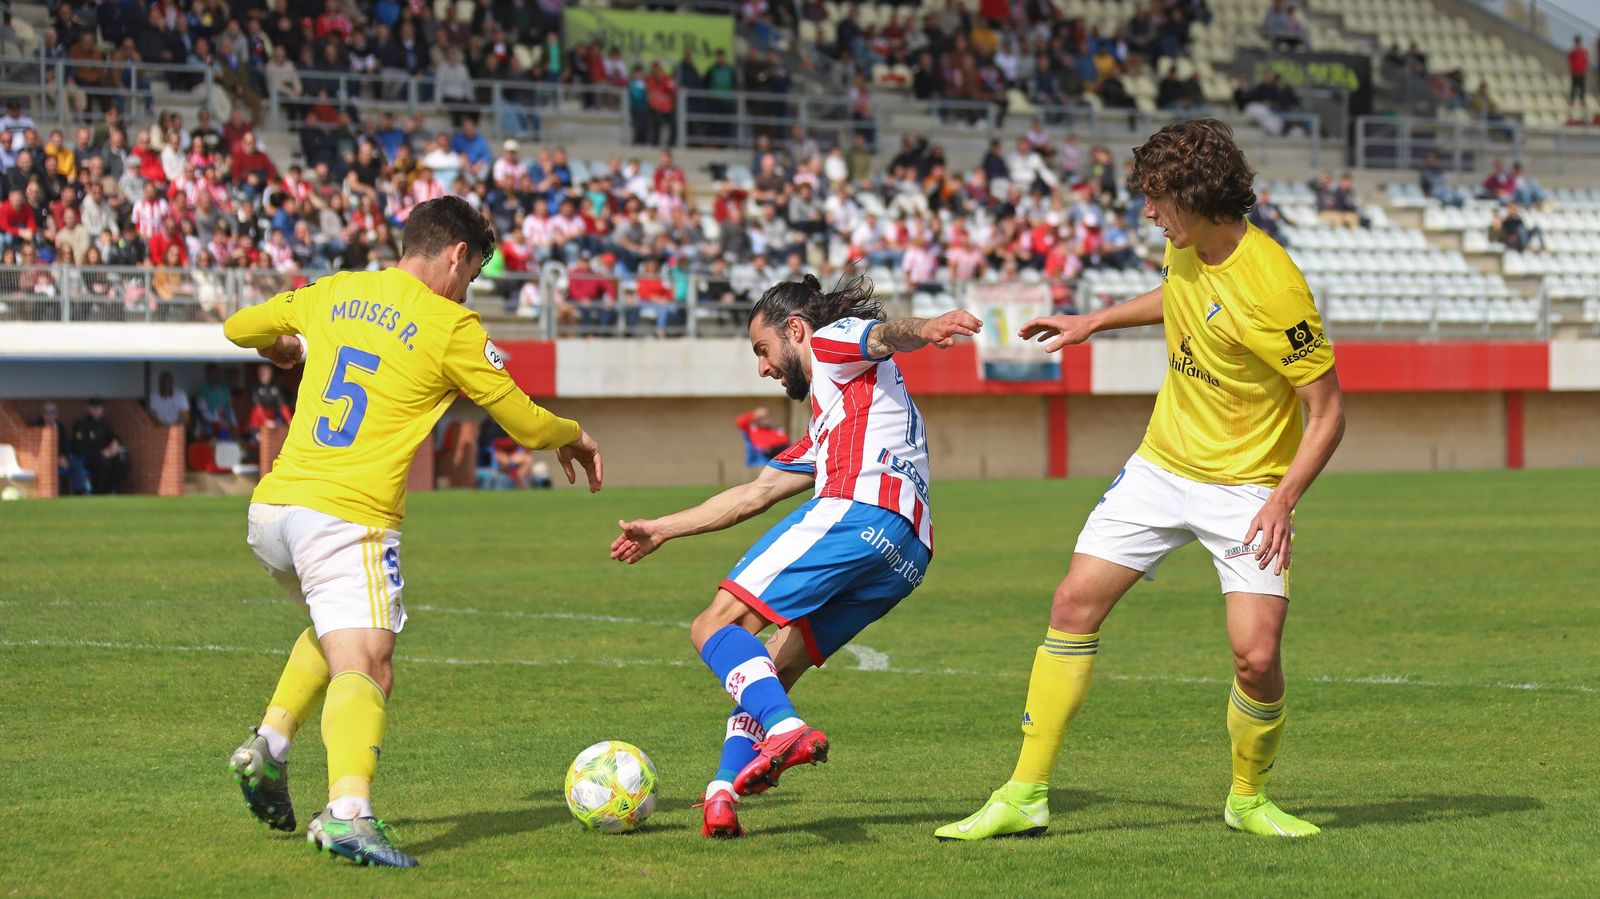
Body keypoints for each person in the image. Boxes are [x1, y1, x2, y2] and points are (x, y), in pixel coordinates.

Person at [938, 118, 1344, 842]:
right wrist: (1096, 319)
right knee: (1072, 602)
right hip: (1160, 464)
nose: (1148, 213)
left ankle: (1247, 798)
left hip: (1249, 486)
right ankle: (1024, 792)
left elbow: (1330, 412)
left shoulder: (1276, 287)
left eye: (1157, 199)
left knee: (1256, 657)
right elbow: (1181, 297)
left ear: (1196, 194)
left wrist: (1283, 500)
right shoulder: (1185, 244)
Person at [221, 196, 603, 868]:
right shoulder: (450, 324)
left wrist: (282, 347)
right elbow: (526, 423)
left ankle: (270, 744)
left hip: (275, 511)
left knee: (335, 630)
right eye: (474, 273)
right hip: (348, 518)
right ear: (457, 255)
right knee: (369, 662)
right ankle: (347, 813)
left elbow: (237, 325)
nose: (470, 287)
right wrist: (573, 435)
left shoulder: (334, 291)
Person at [610, 274, 980, 839]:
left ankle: (785, 731)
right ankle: (722, 793)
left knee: (714, 626)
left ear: (796, 330)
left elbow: (883, 335)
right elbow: (753, 494)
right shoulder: (835, 418)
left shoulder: (830, 345)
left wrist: (925, 329)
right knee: (771, 669)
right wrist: (662, 528)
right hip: (907, 553)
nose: (762, 367)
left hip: (859, 509)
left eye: (762, 350)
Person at [71, 397, 131, 494]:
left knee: (122, 461)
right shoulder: (81, 423)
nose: (97, 410)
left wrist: (115, 443)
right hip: (88, 457)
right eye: (94, 408)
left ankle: (111, 488)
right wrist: (101, 453)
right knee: (103, 463)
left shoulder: (104, 423)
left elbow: (113, 436)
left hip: (105, 454)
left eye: (99, 408)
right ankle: (99, 491)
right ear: (89, 408)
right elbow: (78, 445)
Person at [194, 362, 237, 438]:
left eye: (215, 373)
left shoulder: (224, 387)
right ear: (207, 374)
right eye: (211, 373)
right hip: (209, 426)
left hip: (226, 424)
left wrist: (234, 423)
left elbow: (230, 408)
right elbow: (203, 411)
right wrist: (217, 422)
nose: (213, 375)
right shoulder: (202, 390)